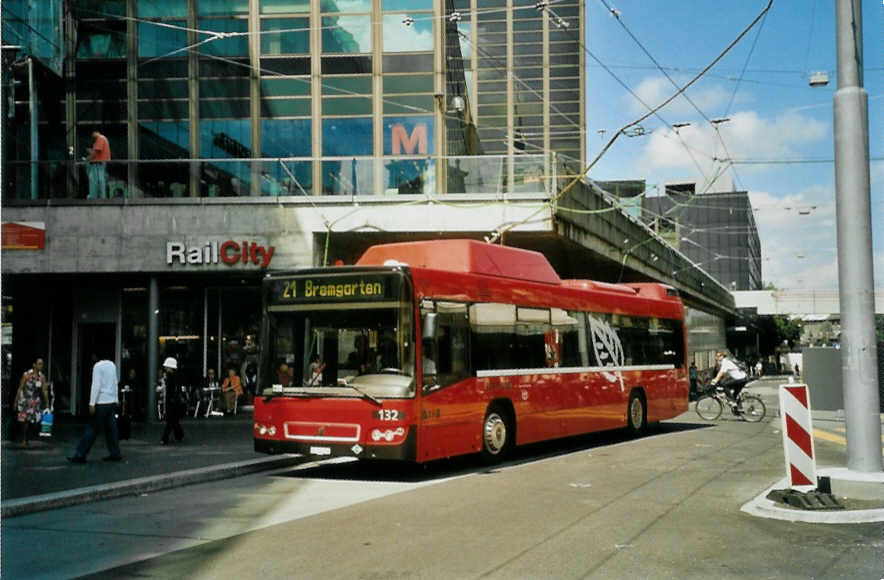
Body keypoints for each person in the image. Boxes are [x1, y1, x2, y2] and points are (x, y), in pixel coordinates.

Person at [68, 357, 122, 462]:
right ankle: (115, 452)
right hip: (110, 401)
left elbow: (96, 385)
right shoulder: (112, 366)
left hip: (101, 401)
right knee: (112, 429)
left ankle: (80, 454)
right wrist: (116, 399)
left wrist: (92, 402)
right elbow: (115, 383)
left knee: (92, 428)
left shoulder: (97, 366)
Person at [14, 358, 49, 447]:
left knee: (35, 422)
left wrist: (47, 402)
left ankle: (27, 438)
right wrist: (16, 401)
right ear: (34, 365)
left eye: (42, 364)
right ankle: (24, 439)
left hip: (35, 402)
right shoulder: (26, 375)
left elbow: (44, 390)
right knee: (25, 422)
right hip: (25, 401)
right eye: (39, 364)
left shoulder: (42, 377)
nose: (41, 366)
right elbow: (20, 388)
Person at [160, 357, 185, 445]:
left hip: (172, 401)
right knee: (174, 421)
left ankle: (165, 438)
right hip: (175, 401)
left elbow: (171, 390)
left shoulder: (170, 377)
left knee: (170, 421)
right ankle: (179, 435)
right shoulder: (176, 376)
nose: (166, 368)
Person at [86, 130, 111, 199]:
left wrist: (87, 159)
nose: (92, 137)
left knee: (96, 182)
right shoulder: (103, 139)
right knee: (101, 181)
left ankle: (95, 197)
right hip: (101, 163)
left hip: (98, 164)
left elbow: (95, 153)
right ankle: (100, 196)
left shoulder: (100, 139)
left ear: (95, 132)